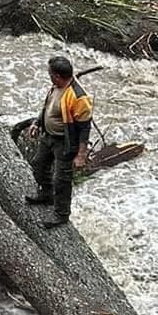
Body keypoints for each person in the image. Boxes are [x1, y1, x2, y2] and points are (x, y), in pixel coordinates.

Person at [25, 54, 93, 223]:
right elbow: (47, 108)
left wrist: (81, 155)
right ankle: (47, 194)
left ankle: (62, 215)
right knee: (38, 166)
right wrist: (37, 123)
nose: (49, 77)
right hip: (48, 137)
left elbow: (85, 127)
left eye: (50, 74)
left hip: (65, 142)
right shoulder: (55, 87)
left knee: (61, 180)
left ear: (57, 76)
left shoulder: (78, 97)